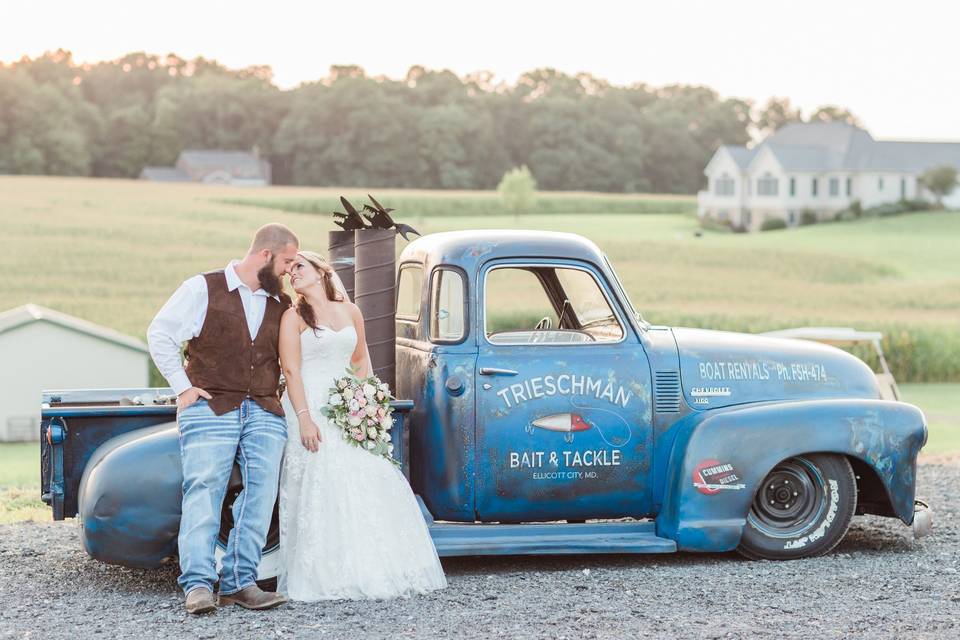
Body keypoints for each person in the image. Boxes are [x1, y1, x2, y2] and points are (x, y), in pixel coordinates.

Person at [147, 223, 299, 615]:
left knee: (262, 492)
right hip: (210, 404)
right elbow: (160, 333)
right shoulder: (203, 288)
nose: (288, 271)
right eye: (286, 261)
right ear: (265, 254)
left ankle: (239, 582)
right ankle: (197, 584)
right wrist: (183, 388)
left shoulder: (281, 305)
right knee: (205, 487)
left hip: (264, 408)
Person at [278, 250, 447, 600]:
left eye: (299, 266)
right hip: (308, 402)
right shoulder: (293, 318)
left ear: (321, 272)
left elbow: (360, 361)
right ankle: (322, 572)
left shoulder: (351, 311)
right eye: (289, 270)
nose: (292, 272)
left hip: (346, 403)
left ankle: (372, 565)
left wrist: (367, 405)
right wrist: (305, 418)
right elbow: (291, 370)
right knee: (322, 478)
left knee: (365, 475)